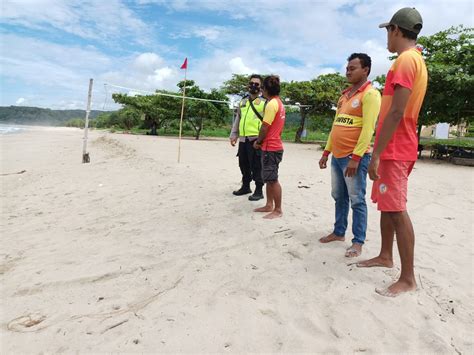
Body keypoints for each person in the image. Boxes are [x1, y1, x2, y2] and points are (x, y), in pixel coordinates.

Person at [357, 7, 428, 297]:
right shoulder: (416, 59)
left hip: (396, 146)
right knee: (387, 203)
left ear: (396, 30)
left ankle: (408, 278)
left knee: (397, 209)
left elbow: (397, 111)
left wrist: (375, 153)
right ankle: (385, 255)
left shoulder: (405, 61)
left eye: (388, 30)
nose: (387, 36)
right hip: (398, 143)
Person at [319, 53, 381, 258]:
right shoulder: (344, 96)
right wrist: (326, 152)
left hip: (354, 158)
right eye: (347, 67)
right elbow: (335, 126)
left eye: (353, 68)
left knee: (357, 199)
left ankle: (358, 241)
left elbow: (368, 129)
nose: (348, 71)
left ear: (366, 70)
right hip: (337, 156)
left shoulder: (370, 95)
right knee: (339, 196)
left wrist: (356, 157)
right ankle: (338, 232)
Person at [253, 75, 285, 219]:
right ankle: (269, 204)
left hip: (271, 147)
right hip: (272, 145)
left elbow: (265, 126)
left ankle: (277, 210)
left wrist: (258, 141)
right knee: (268, 177)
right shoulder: (279, 103)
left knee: (272, 179)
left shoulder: (271, 104)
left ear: (265, 89)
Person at [229, 74, 266, 201]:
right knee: (243, 164)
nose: (253, 86)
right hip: (243, 140)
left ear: (261, 88)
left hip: (256, 140)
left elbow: (268, 123)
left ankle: (259, 190)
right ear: (248, 85)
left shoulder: (264, 103)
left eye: (257, 84)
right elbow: (238, 119)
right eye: (251, 83)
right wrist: (234, 135)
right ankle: (245, 186)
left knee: (257, 165)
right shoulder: (243, 102)